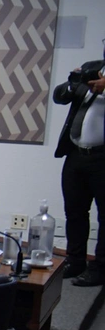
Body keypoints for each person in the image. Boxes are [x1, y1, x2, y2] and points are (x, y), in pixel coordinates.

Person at [54, 58, 105, 286]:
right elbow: (59, 96)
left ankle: (100, 267)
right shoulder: (90, 68)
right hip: (76, 154)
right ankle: (75, 261)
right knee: (74, 211)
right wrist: (72, 83)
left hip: (102, 157)